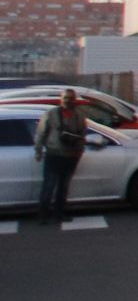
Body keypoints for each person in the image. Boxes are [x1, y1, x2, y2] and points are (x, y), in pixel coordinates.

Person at [33, 89, 91, 225]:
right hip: (54, 155)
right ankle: (43, 215)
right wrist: (38, 150)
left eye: (71, 98)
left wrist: (80, 151)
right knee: (49, 186)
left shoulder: (79, 116)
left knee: (63, 187)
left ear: (75, 100)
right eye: (65, 98)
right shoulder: (51, 114)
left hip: (71, 156)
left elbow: (82, 135)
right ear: (60, 98)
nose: (68, 100)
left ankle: (60, 214)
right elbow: (41, 133)